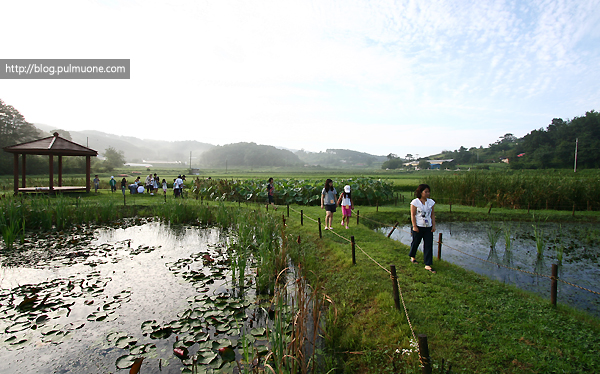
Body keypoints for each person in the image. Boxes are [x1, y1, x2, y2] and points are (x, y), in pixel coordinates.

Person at [409, 184, 437, 273]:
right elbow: (413, 215)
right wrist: (414, 226)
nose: (428, 193)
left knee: (428, 244)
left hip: (428, 226)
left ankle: (428, 264)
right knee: (416, 242)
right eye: (426, 192)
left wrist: (433, 225)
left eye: (428, 192)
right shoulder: (415, 202)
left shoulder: (431, 202)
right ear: (421, 192)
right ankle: (412, 256)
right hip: (418, 226)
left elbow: (432, 214)